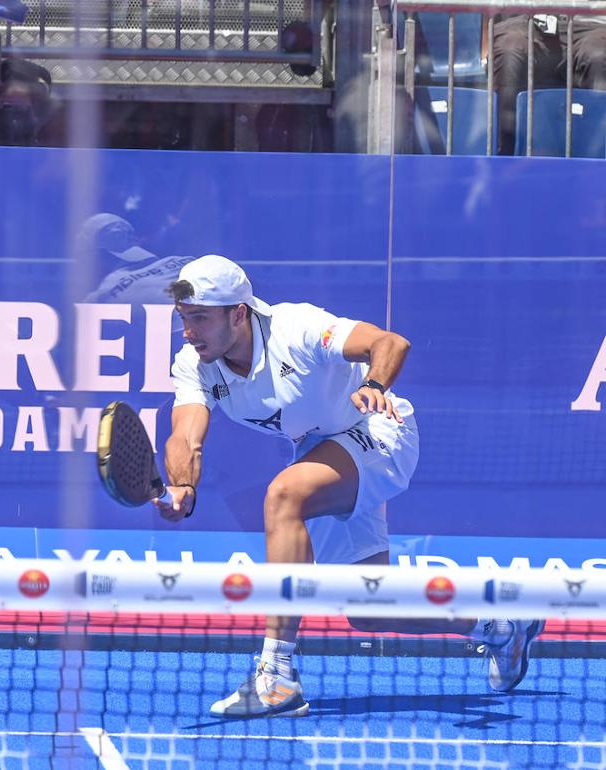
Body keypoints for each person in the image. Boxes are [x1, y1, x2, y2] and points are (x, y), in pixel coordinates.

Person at [156, 255, 543, 718]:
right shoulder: (195, 364)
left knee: (284, 496)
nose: (188, 331)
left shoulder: (295, 328)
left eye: (199, 318)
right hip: (321, 450)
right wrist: (183, 487)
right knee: (369, 607)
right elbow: (186, 435)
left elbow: (390, 342)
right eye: (184, 319)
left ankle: (276, 675)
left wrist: (374, 383)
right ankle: (500, 626)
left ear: (238, 313)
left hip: (379, 431)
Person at [492, 13, 606, 155]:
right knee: (510, 50)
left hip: (590, 22)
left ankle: (598, 160)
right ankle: (504, 159)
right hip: (523, 17)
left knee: (598, 55)